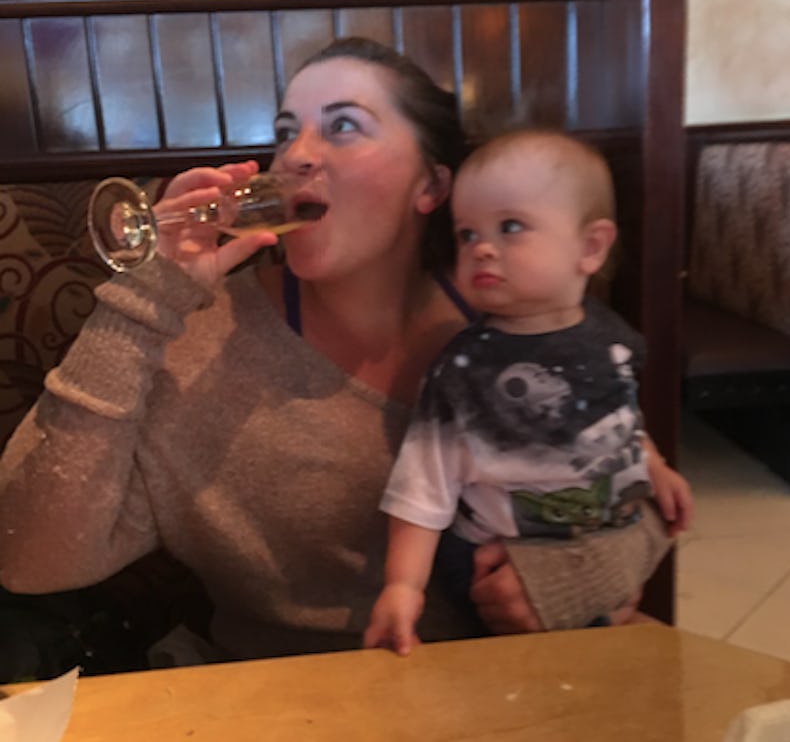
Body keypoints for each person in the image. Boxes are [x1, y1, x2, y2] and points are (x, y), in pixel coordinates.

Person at [0, 39, 669, 664]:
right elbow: (31, 556)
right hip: (287, 698)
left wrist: (581, 577)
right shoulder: (196, 349)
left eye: (343, 126)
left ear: (431, 188)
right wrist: (145, 298)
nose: (294, 156)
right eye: (287, 132)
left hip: (503, 680)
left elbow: (640, 490)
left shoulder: (520, 318)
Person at [364, 128, 693, 656]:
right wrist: (402, 587)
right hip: (494, 563)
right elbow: (423, 485)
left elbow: (619, 419)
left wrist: (652, 465)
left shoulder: (613, 338)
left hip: (599, 545)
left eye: (510, 227)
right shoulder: (464, 366)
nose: (482, 249)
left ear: (590, 247)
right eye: (467, 234)